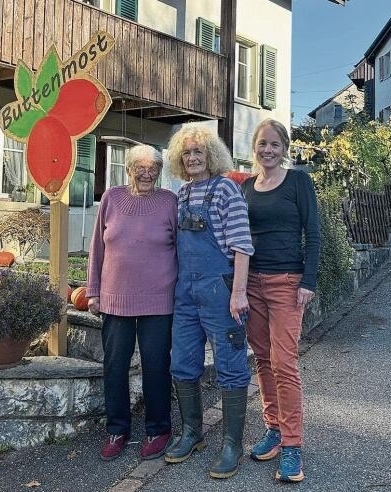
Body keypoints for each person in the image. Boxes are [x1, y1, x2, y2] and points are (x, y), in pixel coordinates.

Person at [163, 123, 254, 479]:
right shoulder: (183, 194)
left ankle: (233, 444)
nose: (192, 158)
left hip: (220, 289)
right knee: (182, 362)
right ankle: (192, 432)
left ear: (211, 155)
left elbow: (242, 245)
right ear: (179, 160)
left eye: (198, 151)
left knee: (231, 365)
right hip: (186, 292)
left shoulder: (226, 190)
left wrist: (239, 292)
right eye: (186, 153)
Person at [86, 144, 178, 462]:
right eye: (140, 166)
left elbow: (181, 249)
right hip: (114, 300)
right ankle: (117, 429)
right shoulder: (111, 198)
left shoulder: (169, 202)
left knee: (156, 367)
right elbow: (97, 248)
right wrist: (92, 291)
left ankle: (158, 428)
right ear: (128, 169)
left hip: (159, 301)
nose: (147, 172)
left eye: (153, 166)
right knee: (115, 367)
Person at [241, 118, 320, 483]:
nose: (268, 150)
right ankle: (273, 428)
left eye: (274, 144)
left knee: (284, 362)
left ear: (284, 147)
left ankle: (292, 445)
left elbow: (313, 233)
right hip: (253, 282)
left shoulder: (298, 181)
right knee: (262, 359)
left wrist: (308, 281)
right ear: (254, 148)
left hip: (287, 282)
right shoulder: (247, 187)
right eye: (262, 144)